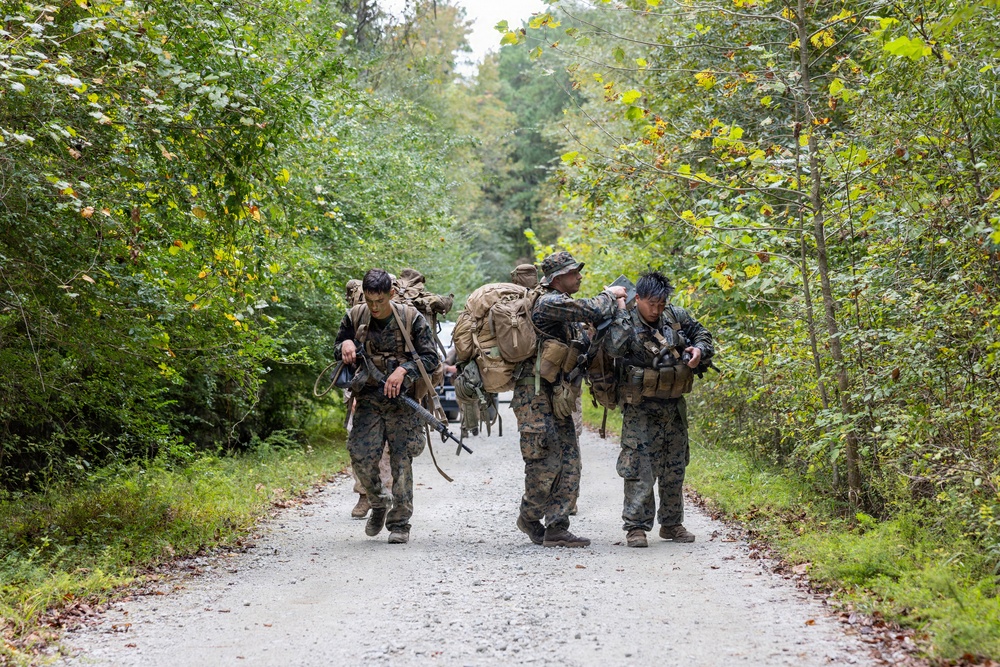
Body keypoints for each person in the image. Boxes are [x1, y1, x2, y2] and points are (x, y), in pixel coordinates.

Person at [512, 251, 627, 548]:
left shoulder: (562, 312)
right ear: (557, 278)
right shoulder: (549, 303)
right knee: (543, 461)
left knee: (569, 461)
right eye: (574, 272)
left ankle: (557, 526)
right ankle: (529, 515)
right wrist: (610, 295)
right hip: (535, 396)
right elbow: (591, 309)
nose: (579, 276)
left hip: (557, 394)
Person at [604, 271, 714, 548]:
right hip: (640, 406)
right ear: (637, 297)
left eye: (661, 303)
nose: (656, 309)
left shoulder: (675, 316)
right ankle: (636, 527)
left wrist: (698, 349)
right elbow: (614, 348)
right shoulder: (625, 318)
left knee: (674, 466)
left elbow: (702, 333)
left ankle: (672, 523)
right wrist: (619, 312)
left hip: (674, 405)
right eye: (651, 303)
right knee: (639, 467)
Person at [335, 268, 441, 544]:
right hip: (369, 400)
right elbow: (336, 347)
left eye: (379, 302)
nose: (374, 307)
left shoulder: (411, 318)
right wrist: (345, 344)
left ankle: (400, 523)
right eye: (370, 302)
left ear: (391, 294)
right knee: (359, 453)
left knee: (401, 461)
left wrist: (405, 370)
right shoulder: (355, 316)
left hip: (401, 404)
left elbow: (431, 358)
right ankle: (379, 502)